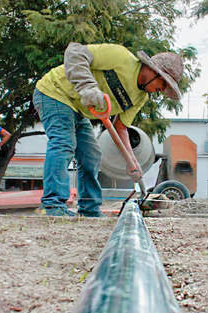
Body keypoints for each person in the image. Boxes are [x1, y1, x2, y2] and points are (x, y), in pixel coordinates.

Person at [33, 42, 184, 217]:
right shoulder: (120, 57)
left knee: (91, 155)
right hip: (55, 92)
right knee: (64, 143)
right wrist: (87, 86)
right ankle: (52, 206)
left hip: (78, 109)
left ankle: (89, 209)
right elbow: (74, 52)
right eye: (164, 83)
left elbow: (120, 127)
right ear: (153, 71)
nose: (163, 90)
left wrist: (132, 161)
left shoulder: (140, 98)